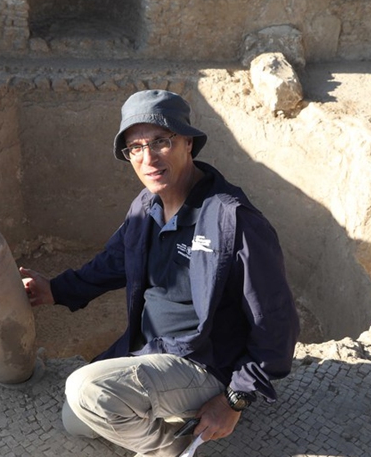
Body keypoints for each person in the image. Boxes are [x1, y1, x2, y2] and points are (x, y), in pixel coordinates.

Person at [20, 89, 299, 457]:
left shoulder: (233, 221)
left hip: (203, 362)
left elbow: (276, 323)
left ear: (187, 142)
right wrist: (55, 289)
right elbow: (112, 263)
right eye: (134, 148)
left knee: (88, 389)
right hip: (150, 349)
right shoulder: (146, 206)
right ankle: (174, 419)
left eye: (160, 142)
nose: (147, 158)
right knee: (76, 418)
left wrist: (234, 400)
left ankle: (168, 449)